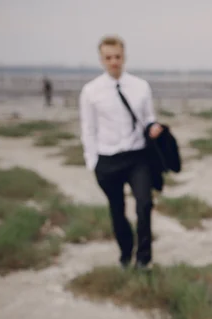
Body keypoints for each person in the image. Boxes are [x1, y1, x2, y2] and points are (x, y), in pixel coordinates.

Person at [79, 35, 163, 270]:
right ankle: (126, 254)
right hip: (107, 160)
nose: (113, 61)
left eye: (117, 56)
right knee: (117, 210)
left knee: (144, 205)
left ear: (124, 57)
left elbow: (149, 118)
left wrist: (154, 128)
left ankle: (143, 259)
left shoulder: (140, 86)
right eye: (108, 57)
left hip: (137, 156)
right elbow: (88, 129)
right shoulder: (90, 91)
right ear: (102, 59)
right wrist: (92, 162)